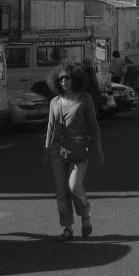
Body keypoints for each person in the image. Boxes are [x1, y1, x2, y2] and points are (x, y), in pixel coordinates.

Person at [43, 63, 104, 240]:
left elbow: (94, 126)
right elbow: (50, 127)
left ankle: (85, 216)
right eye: (60, 78)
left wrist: (98, 149)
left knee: (74, 187)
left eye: (67, 78)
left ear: (75, 79)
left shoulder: (84, 99)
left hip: (78, 149)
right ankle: (67, 228)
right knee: (61, 192)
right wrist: (46, 148)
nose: (64, 81)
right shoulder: (55, 101)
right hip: (57, 150)